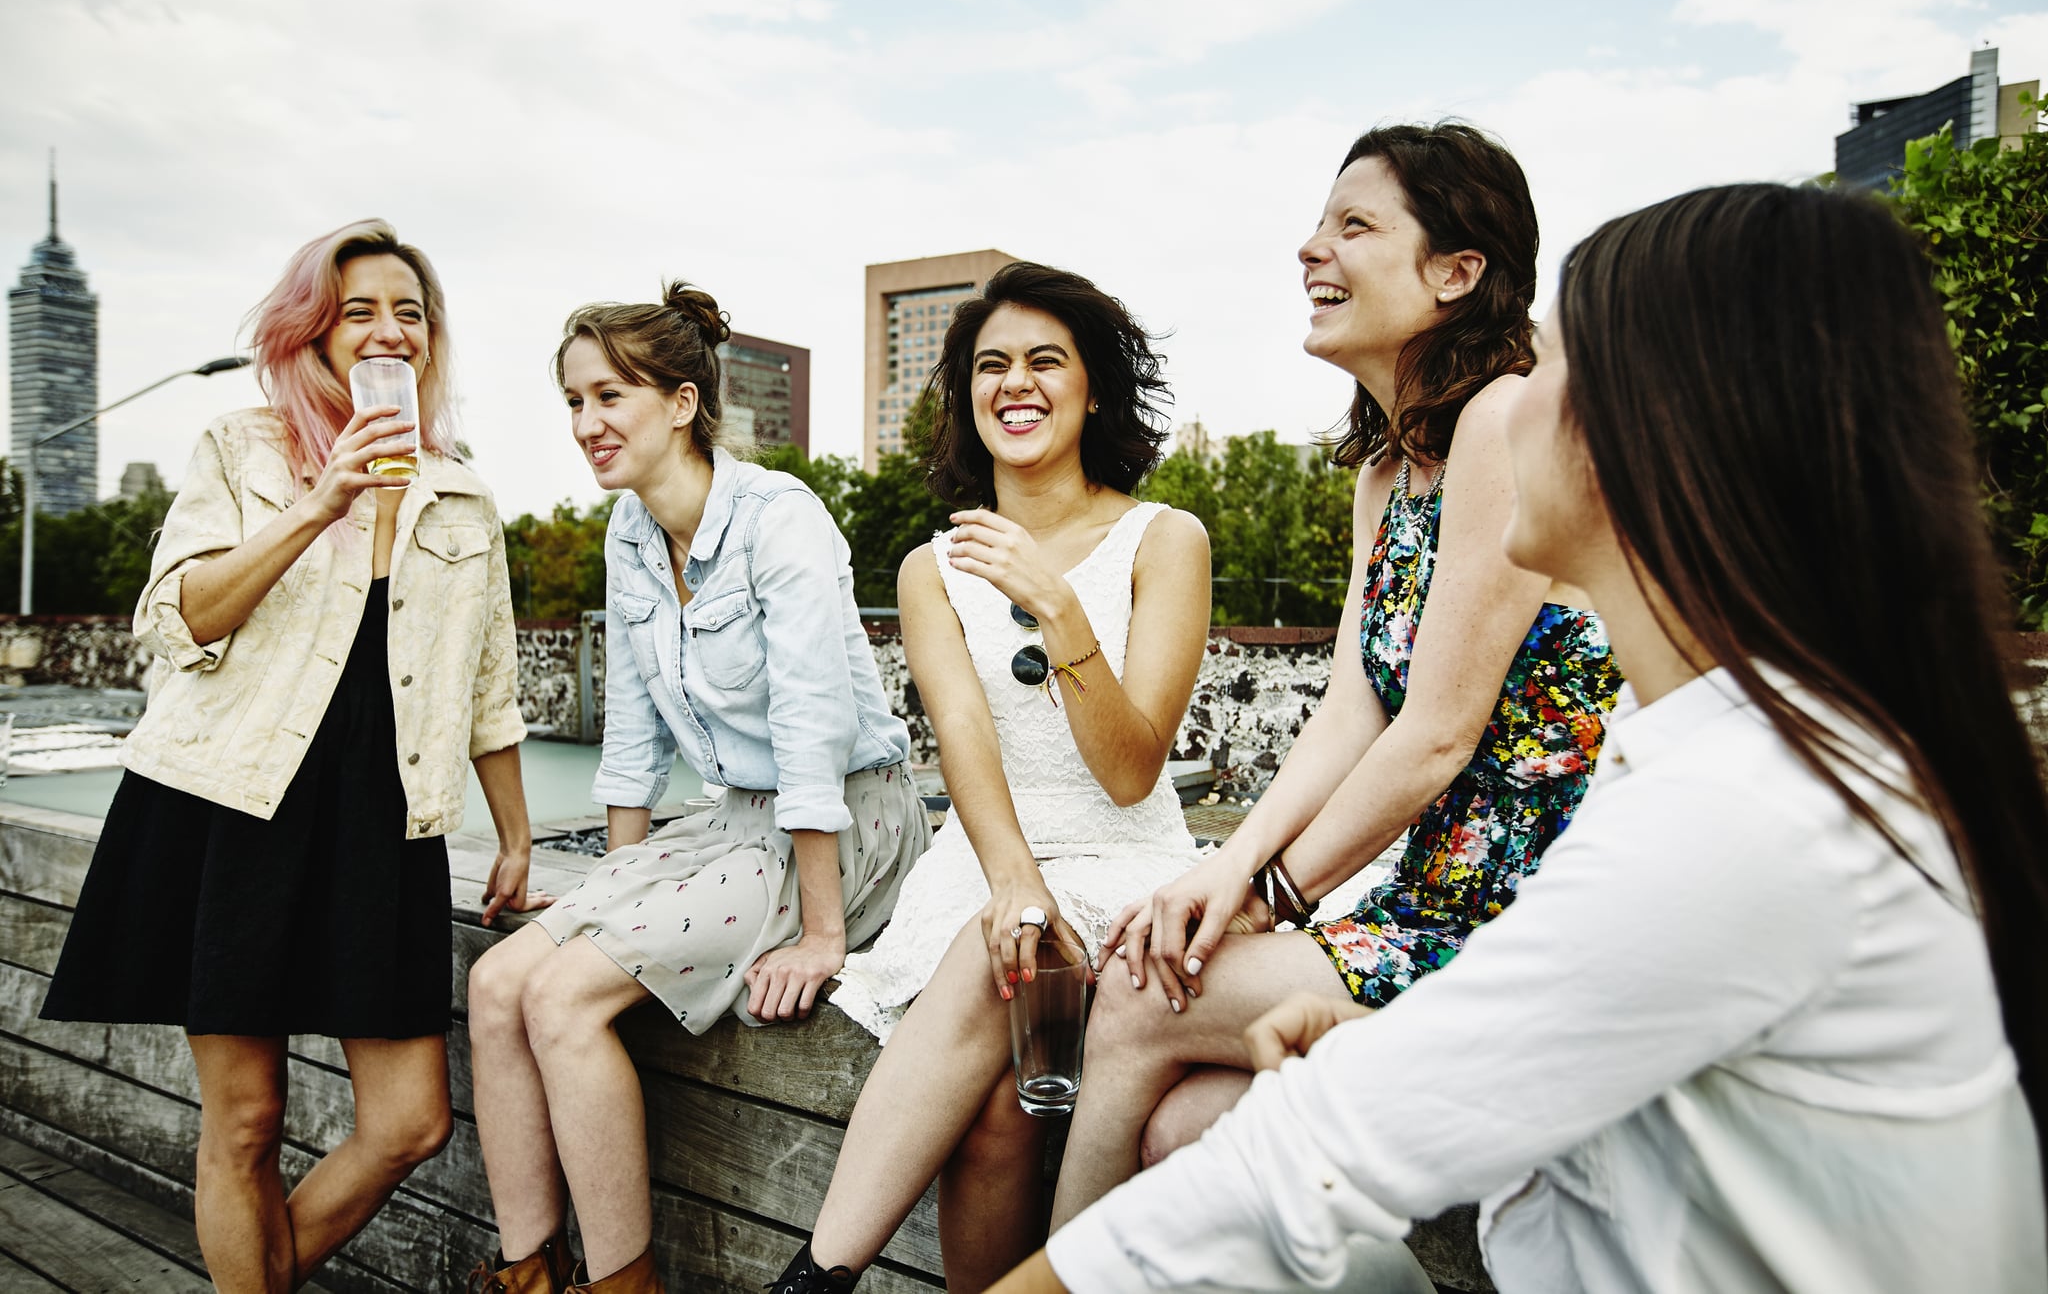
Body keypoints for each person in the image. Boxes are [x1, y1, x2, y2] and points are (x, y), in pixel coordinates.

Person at [996, 182, 2048, 1293]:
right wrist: (1263, 893)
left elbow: (1316, 1142)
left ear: (1671, 437)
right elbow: (1367, 709)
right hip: (1497, 1055)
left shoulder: (1737, 817)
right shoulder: (1709, 748)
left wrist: (1301, 927)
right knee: (1198, 1125)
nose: (1513, 391)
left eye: (1550, 368)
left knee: (1193, 1090)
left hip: (1469, 939)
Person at [1050, 122, 1622, 1223]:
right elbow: (1355, 706)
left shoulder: (1506, 420)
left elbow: (1440, 732)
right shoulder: (1388, 475)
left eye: (1352, 225)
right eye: (1319, 224)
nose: (1310, 249)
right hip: (1426, 904)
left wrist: (1269, 896)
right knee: (1177, 1129)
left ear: (1457, 272)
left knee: (1130, 996)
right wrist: (1226, 870)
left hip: (1518, 921)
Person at [39, 220, 539, 1293]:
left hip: (382, 815)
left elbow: (488, 682)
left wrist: (514, 832)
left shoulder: (465, 493)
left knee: (409, 1122)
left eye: (409, 310)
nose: (387, 330)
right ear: (313, 331)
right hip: (228, 799)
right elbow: (182, 619)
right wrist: (321, 503)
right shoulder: (241, 446)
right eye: (359, 308)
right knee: (248, 1119)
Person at [465, 282, 928, 1294]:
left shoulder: (778, 520)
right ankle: (525, 1273)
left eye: (608, 398)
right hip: (732, 824)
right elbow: (631, 742)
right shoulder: (628, 537)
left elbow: (814, 738)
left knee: (562, 1000)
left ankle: (622, 1286)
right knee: (498, 983)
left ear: (679, 403)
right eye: (574, 403)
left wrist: (820, 934)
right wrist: (612, 902)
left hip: (850, 824)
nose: (586, 425)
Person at [768, 262, 1211, 1294]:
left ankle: (814, 1276)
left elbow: (1130, 767)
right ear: (967, 398)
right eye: (990, 366)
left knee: (997, 963)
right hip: (986, 864)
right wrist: (1010, 879)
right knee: (989, 1124)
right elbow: (961, 736)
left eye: (1044, 361)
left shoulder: (1164, 540)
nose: (1015, 383)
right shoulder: (930, 567)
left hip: (1119, 861)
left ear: (1092, 387)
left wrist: (1058, 612)